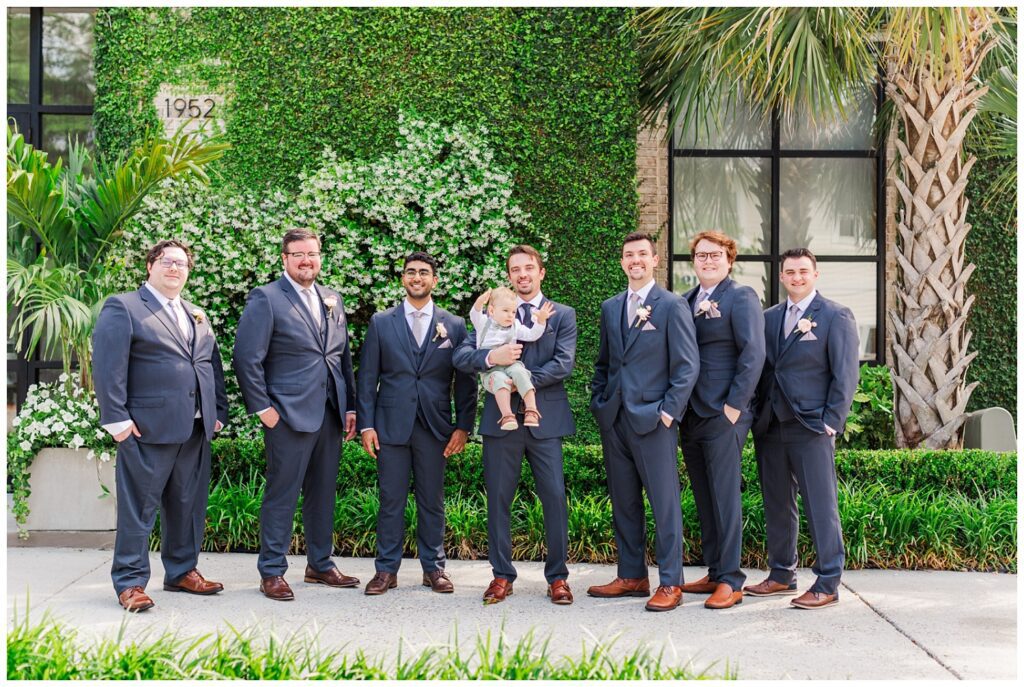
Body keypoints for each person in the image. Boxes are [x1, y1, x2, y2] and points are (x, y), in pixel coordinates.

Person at [93, 239, 228, 612]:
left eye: (182, 263)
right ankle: (131, 582)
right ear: (150, 265)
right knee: (140, 508)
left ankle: (182, 571)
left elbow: (209, 365)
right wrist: (116, 419)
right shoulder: (124, 307)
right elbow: (107, 366)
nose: (174, 268)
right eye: (167, 261)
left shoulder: (196, 313)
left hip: (196, 428)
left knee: (188, 504)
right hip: (146, 428)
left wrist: (217, 412)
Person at [233, 228, 359, 601]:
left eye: (313, 254)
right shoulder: (267, 298)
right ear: (285, 259)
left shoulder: (332, 298)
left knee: (323, 494)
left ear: (320, 257)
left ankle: (320, 564)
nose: (307, 260)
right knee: (282, 494)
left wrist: (350, 406)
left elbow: (342, 359)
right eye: (299, 254)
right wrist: (264, 409)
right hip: (287, 415)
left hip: (330, 414)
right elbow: (247, 358)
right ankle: (271, 570)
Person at [453, 245, 577, 605]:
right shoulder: (492, 313)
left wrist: (515, 379)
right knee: (499, 500)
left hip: (545, 420)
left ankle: (558, 578)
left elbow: (563, 364)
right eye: (515, 269)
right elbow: (462, 355)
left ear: (541, 272)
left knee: (554, 498)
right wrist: (492, 357)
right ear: (509, 275)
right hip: (499, 420)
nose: (522, 274)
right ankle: (501, 576)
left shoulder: (561, 315)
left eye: (528, 268)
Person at [588, 231, 699, 612]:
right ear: (622, 262)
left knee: (664, 504)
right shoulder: (610, 306)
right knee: (624, 502)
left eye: (641, 254)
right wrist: (600, 402)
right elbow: (604, 363)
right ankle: (632, 574)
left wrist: (668, 412)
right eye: (628, 255)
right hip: (615, 419)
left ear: (655, 260)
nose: (634, 260)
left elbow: (687, 367)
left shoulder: (671, 305)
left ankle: (671, 581)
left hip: (654, 421)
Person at [744, 247, 859, 610]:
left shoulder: (835, 316)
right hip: (771, 425)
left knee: (819, 504)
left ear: (815, 274)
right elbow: (762, 369)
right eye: (790, 272)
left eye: (803, 272)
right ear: (781, 276)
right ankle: (781, 574)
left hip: (811, 426)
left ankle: (828, 581)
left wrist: (831, 421)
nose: (796, 277)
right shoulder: (768, 318)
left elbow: (845, 374)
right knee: (777, 502)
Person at [356, 251, 477, 595]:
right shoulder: (382, 322)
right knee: (390, 499)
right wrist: (366, 425)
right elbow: (367, 377)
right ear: (403, 279)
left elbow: (465, 381)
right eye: (411, 272)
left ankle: (434, 569)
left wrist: (463, 427)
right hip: (391, 425)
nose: (417, 277)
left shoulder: (452, 324)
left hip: (435, 426)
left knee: (432, 500)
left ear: (434, 280)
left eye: (424, 272)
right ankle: (386, 571)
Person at [678, 231, 765, 610]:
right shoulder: (685, 301)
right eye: (701, 256)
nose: (708, 261)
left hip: (724, 411)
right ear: (693, 261)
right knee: (704, 493)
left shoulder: (741, 297)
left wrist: (734, 406)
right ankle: (714, 570)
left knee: (725, 495)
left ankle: (732, 579)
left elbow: (753, 353)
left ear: (730, 260)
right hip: (690, 412)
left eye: (715, 255)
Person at [469, 286, 554, 430]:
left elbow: (532, 335)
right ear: (491, 310)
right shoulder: (483, 323)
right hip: (490, 370)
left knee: (521, 372)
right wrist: (480, 301)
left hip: (510, 365)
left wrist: (540, 321)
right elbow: (474, 313)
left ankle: (532, 410)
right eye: (505, 311)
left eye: (513, 311)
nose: (510, 315)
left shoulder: (515, 325)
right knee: (499, 380)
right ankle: (507, 415)